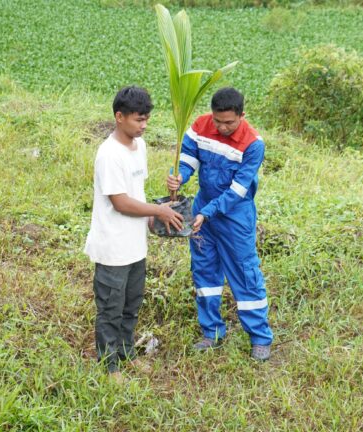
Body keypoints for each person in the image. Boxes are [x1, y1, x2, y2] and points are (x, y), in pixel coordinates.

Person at [84, 86, 184, 380]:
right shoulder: (108, 154)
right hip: (113, 246)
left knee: (131, 304)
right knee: (111, 308)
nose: (143, 126)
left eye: (146, 120)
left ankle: (125, 353)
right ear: (119, 117)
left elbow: (136, 192)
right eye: (138, 120)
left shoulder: (140, 147)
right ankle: (109, 365)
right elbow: (120, 201)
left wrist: (158, 212)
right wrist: (158, 211)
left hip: (135, 245)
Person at [167, 87, 273, 361]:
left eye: (229, 122)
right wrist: (179, 176)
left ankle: (260, 338)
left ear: (241, 116)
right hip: (203, 211)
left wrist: (208, 212)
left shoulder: (253, 144)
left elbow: (238, 191)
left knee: (245, 273)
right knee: (204, 271)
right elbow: (188, 160)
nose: (222, 127)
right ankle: (211, 332)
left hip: (234, 217)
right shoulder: (201, 126)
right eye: (218, 121)